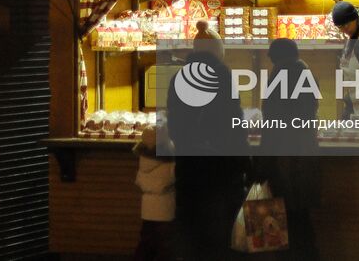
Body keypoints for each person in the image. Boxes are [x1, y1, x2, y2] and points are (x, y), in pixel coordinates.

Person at [166, 21, 248, 259]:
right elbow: (233, 122)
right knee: (221, 237)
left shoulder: (178, 77)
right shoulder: (221, 75)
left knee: (192, 233)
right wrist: (244, 161)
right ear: (217, 51)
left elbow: (174, 126)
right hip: (220, 171)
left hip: (188, 168)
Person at [258, 38, 320, 259]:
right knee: (300, 218)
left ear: (278, 56)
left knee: (287, 220)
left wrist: (262, 162)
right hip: (303, 157)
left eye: (272, 55)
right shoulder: (305, 73)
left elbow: (272, 123)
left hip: (286, 161)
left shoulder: (282, 75)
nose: (270, 59)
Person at [132, 126, 175, 261]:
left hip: (147, 210)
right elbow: (172, 180)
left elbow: (139, 182)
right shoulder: (169, 164)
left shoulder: (143, 161)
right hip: (165, 210)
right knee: (164, 246)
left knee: (146, 242)